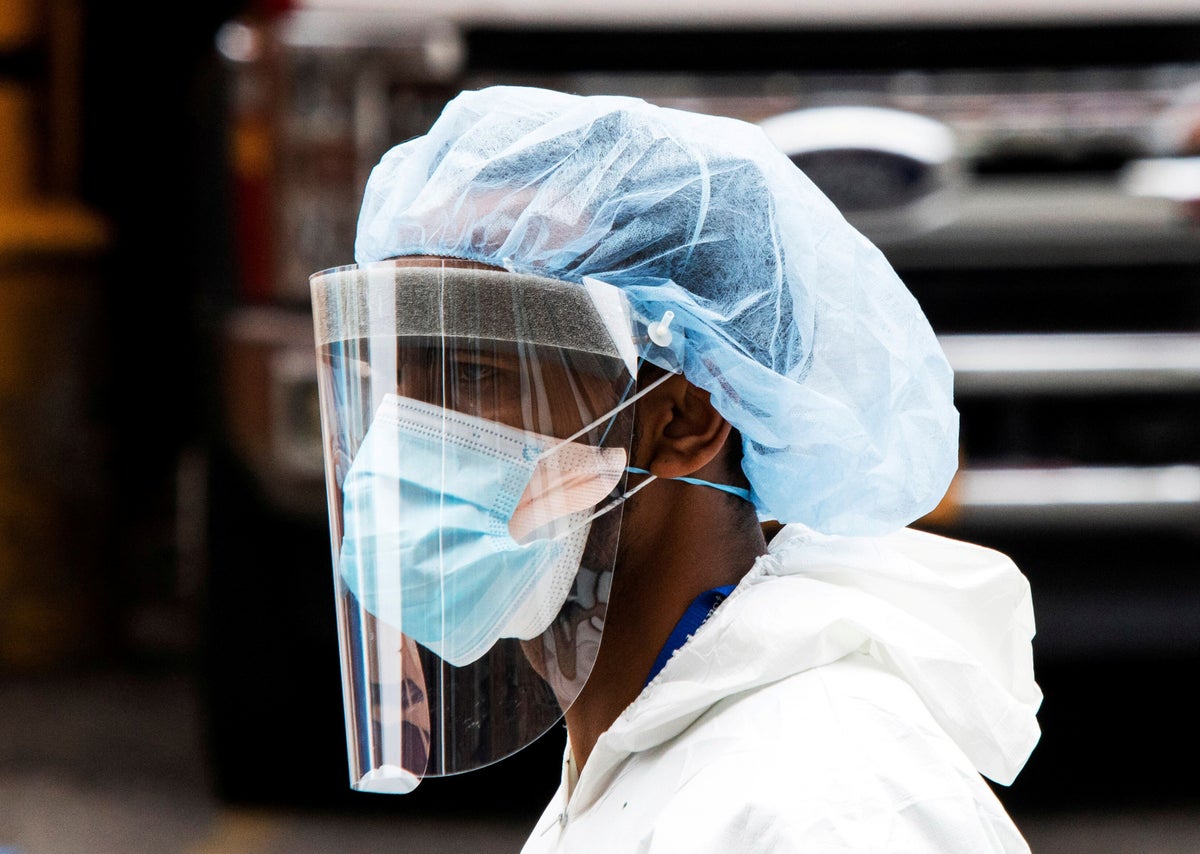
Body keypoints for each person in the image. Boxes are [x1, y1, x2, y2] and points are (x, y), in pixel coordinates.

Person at [310, 86, 1041, 850]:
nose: (401, 433)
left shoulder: (830, 805)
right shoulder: (644, 761)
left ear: (685, 419)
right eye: (390, 378)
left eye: (471, 373)